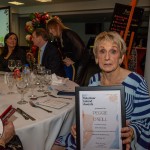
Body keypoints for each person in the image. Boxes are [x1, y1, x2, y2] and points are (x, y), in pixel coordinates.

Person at [53, 31, 150, 150]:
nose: (107, 57)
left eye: (113, 51)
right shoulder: (94, 80)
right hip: (96, 137)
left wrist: (132, 131)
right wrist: (80, 126)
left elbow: (143, 120)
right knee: (51, 145)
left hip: (123, 142)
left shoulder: (137, 82)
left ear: (121, 58)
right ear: (97, 58)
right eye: (102, 51)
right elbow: (90, 114)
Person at [47, 17, 89, 85]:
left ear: (57, 26)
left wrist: (73, 60)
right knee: (71, 81)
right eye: (49, 29)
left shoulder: (68, 33)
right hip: (76, 59)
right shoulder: (59, 37)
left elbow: (80, 48)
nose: (50, 31)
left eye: (51, 28)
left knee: (77, 82)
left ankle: (76, 94)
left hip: (82, 59)